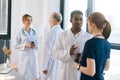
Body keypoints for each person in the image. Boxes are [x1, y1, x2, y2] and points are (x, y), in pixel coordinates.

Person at [52, 10, 92, 80]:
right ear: (71, 20)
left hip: (79, 72)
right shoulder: (63, 35)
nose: (79, 22)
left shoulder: (88, 37)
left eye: (81, 19)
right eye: (76, 19)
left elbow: (91, 57)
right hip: (64, 72)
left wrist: (82, 57)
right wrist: (68, 53)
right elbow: (55, 53)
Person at [73, 12, 111, 80]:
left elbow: (91, 72)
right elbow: (107, 67)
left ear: (92, 24)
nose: (88, 26)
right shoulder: (107, 44)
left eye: (88, 24)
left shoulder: (90, 43)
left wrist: (77, 66)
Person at [14, 14, 39, 80]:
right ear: (23, 21)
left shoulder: (34, 32)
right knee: (24, 75)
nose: (29, 22)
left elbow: (37, 44)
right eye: (27, 20)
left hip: (33, 55)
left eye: (30, 20)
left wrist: (34, 46)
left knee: (33, 75)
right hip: (24, 57)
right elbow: (15, 45)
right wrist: (25, 45)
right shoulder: (19, 33)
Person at [41, 12, 63, 80]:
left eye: (50, 18)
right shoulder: (63, 32)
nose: (49, 20)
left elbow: (46, 50)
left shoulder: (51, 33)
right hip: (60, 62)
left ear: (54, 20)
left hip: (51, 63)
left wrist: (44, 67)